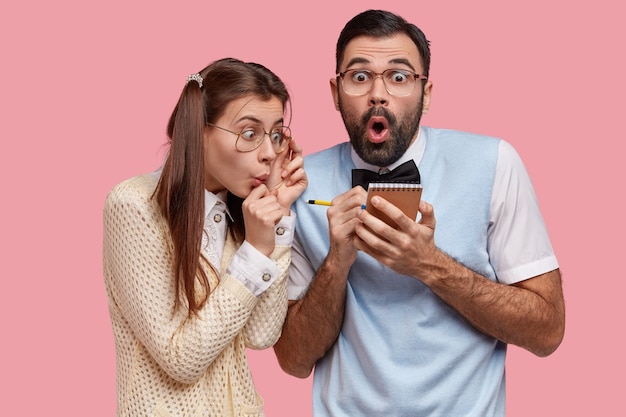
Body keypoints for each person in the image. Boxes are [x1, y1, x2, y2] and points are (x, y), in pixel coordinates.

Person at [273, 9, 565, 416]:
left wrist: (429, 265)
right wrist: (337, 261)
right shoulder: (298, 186)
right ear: (335, 93)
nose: (378, 94)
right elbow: (293, 360)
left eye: (399, 76)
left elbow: (547, 330)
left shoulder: (495, 163)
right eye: (359, 77)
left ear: (425, 94)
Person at [103, 58, 307, 417]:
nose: (270, 152)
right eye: (249, 134)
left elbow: (261, 336)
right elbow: (180, 360)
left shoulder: (236, 212)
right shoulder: (134, 206)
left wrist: (278, 219)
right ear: (199, 131)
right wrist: (255, 252)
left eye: (276, 134)